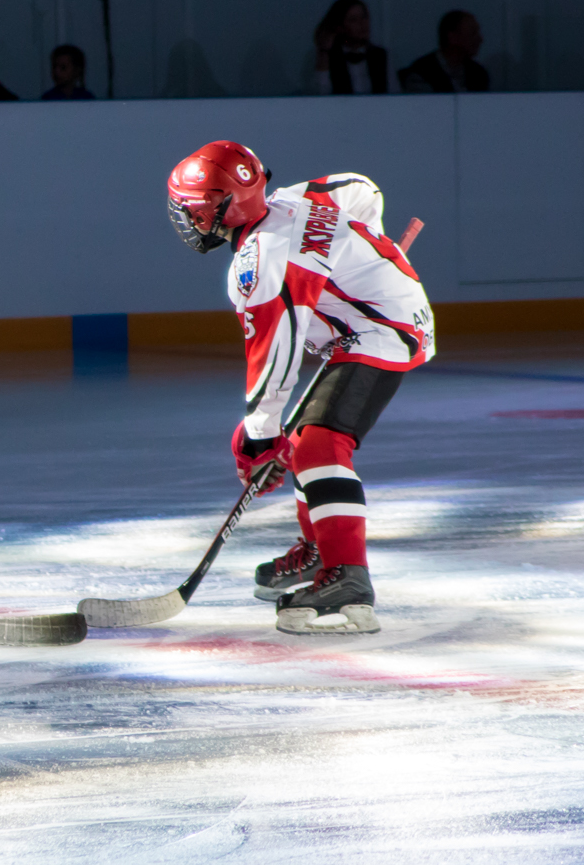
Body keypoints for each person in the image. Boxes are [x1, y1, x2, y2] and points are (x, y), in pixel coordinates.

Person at [165, 141, 435, 636]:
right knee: (302, 442)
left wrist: (257, 435)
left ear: (217, 207)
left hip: (383, 332)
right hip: (381, 321)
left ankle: (347, 576)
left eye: (191, 207)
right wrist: (366, 246)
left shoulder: (261, 262)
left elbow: (275, 356)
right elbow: (361, 188)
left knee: (317, 446)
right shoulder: (294, 198)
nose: (186, 217)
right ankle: (321, 550)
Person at [399, 11, 491, 93]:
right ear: (452, 37)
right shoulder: (422, 73)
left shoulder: (478, 74)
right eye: (473, 33)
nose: (480, 39)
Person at [311, 0, 388, 95]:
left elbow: (395, 94)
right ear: (339, 27)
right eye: (353, 20)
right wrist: (324, 54)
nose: (362, 24)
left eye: (364, 17)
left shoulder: (381, 55)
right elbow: (319, 94)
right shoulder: (325, 56)